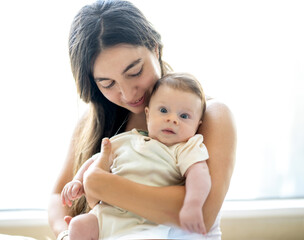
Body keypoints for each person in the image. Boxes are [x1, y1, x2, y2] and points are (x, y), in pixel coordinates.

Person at [0, 0, 236, 240]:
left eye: (134, 71)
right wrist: (64, 234)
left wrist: (99, 184)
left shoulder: (209, 115)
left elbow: (201, 213)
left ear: (155, 49)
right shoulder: (94, 120)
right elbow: (58, 194)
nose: (127, 93)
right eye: (107, 83)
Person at [61, 73, 211, 239]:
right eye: (163, 110)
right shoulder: (126, 140)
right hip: (106, 216)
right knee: (78, 225)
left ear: (197, 125)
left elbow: (200, 174)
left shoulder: (184, 149)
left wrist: (193, 204)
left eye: (184, 116)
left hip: (145, 224)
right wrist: (77, 181)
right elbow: (94, 160)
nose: (172, 119)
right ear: (148, 114)